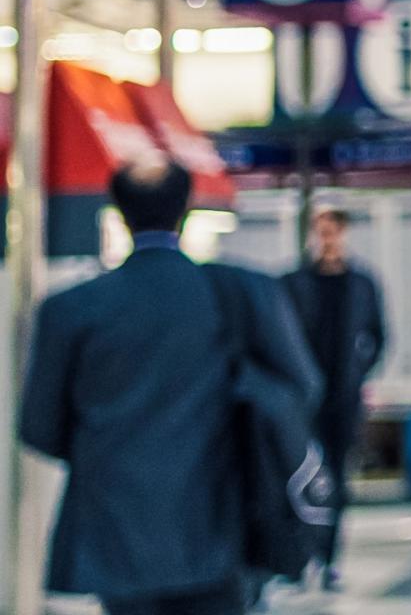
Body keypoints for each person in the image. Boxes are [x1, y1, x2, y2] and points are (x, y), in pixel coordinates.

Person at [18, 156, 320, 615]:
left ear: (118, 211)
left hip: (115, 539)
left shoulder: (71, 310)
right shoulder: (243, 292)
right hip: (222, 528)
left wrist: (108, 451)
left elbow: (38, 427)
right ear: (187, 207)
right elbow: (300, 389)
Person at [280, 207, 388, 589]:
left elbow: (378, 335)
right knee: (298, 476)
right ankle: (301, 553)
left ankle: (327, 557)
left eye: (334, 232)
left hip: (342, 398)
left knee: (336, 481)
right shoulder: (293, 284)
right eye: (322, 232)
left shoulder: (360, 284)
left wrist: (359, 371)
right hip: (304, 399)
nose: (328, 240)